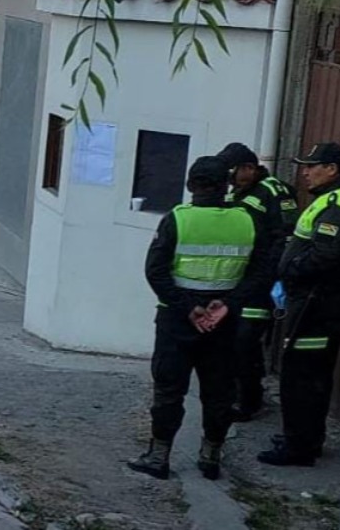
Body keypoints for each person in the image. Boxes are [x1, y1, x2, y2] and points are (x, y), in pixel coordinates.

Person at [129, 156, 269, 481]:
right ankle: (210, 457)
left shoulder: (177, 219)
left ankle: (159, 456)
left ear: (191, 186)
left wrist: (187, 306)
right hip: (224, 322)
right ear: (227, 186)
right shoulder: (247, 221)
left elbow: (156, 272)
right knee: (219, 392)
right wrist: (229, 304)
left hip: (178, 320)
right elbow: (260, 271)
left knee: (168, 390)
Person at [257, 142, 340, 467]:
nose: (305, 172)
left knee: (301, 376)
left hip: (316, 305)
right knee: (311, 375)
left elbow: (326, 254)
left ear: (332, 169)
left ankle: (299, 447)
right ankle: (305, 437)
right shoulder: (328, 200)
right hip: (316, 303)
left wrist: (290, 271)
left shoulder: (336, 204)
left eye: (312, 165)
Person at [215, 143, 299, 422]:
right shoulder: (236, 193)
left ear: (249, 168)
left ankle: (250, 400)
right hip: (238, 280)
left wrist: (271, 275)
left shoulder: (274, 191)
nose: (229, 177)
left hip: (263, 281)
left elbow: (286, 237)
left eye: (233, 171)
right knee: (232, 341)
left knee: (246, 341)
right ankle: (235, 393)